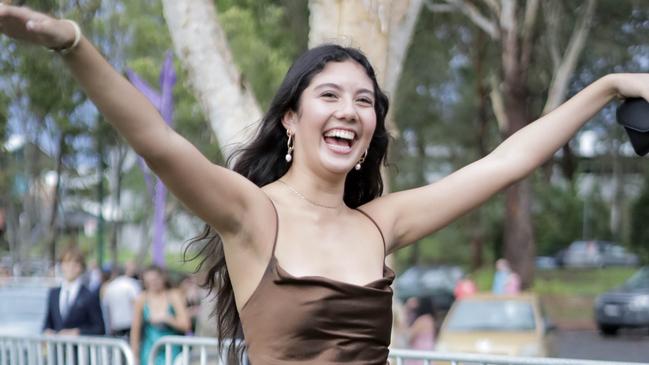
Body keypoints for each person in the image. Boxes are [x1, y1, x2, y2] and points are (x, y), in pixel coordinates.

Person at [1, 4, 648, 364]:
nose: (349, 110)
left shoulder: (381, 222)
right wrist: (72, 43)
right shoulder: (249, 213)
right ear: (291, 116)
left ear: (372, 128)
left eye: (364, 101)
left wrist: (607, 87)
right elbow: (159, 142)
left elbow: (504, 162)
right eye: (329, 94)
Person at [130, 265, 190, 365]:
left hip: (172, 352)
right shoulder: (141, 298)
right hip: (149, 352)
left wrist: (167, 319)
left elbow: (186, 325)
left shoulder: (174, 295)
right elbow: (135, 330)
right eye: (149, 281)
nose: (153, 283)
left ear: (163, 278)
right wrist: (134, 357)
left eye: (155, 279)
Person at [43, 247, 105, 336]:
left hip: (80, 348)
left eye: (75, 264)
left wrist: (78, 332)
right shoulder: (54, 294)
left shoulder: (89, 295)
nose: (70, 268)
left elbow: (99, 328)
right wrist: (47, 332)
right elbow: (47, 323)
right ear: (62, 265)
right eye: (67, 263)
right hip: (57, 348)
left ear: (81, 267)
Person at [102, 266, 141, 339]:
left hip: (116, 324)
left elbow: (106, 307)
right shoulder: (131, 283)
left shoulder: (110, 286)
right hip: (130, 323)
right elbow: (136, 302)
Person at [404, 297, 435, 365]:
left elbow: (409, 335)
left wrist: (407, 308)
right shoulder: (430, 319)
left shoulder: (422, 320)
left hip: (419, 353)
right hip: (427, 351)